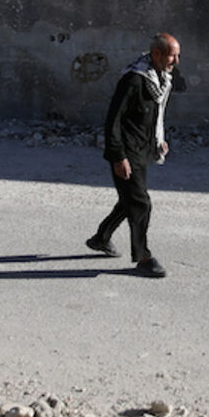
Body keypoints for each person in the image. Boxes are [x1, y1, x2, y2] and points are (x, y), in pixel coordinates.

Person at [86, 33, 182, 277]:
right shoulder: (133, 80)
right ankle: (143, 257)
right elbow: (113, 121)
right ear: (157, 54)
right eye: (172, 55)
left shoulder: (159, 78)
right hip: (126, 153)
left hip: (142, 150)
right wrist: (118, 157)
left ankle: (101, 237)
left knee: (130, 199)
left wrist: (159, 140)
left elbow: (153, 116)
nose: (176, 61)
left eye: (178, 55)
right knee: (140, 202)